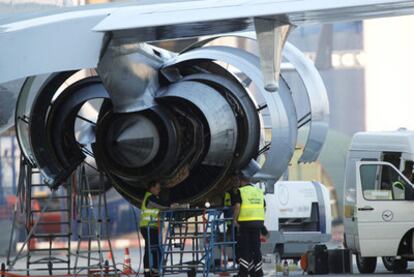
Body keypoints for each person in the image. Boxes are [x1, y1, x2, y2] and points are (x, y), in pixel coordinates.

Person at [233, 176, 265, 277]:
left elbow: (238, 206)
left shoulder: (241, 191)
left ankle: (243, 272)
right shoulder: (259, 191)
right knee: (256, 248)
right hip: (257, 223)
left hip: (245, 223)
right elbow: (264, 207)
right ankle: (258, 272)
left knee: (245, 248)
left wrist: (234, 219)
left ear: (241, 181)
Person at [140, 182, 170, 277]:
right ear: (151, 188)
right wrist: (173, 206)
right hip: (147, 227)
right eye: (157, 188)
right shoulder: (150, 198)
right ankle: (149, 271)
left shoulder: (153, 198)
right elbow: (163, 206)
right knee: (152, 249)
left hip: (152, 227)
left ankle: (153, 270)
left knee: (154, 248)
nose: (159, 190)